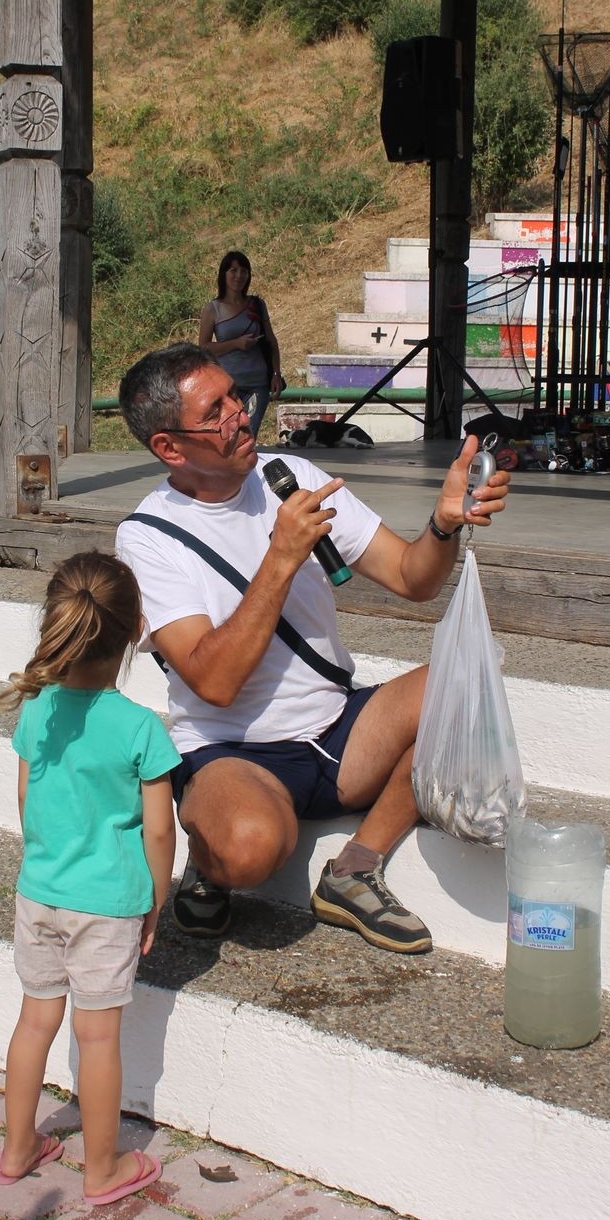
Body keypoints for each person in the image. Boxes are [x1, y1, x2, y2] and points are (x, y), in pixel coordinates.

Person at [116, 343, 510, 956]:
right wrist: (280, 556)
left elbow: (413, 578)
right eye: (215, 412)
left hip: (336, 729)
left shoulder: (292, 478)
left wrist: (442, 524)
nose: (240, 416)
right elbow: (212, 682)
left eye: (236, 398)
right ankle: (209, 856)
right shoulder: (148, 537)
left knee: (466, 677)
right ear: (170, 447)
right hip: (233, 751)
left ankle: (354, 869)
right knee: (249, 851)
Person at [0, 551, 177, 1204]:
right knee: (97, 1037)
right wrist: (154, 899)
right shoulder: (140, 729)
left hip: (39, 892)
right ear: (134, 630)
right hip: (107, 905)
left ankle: (17, 1149)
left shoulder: (37, 712)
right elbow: (159, 831)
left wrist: (48, 861)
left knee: (33, 1022)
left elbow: (25, 803)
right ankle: (103, 1170)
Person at [198, 249, 282, 438]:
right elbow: (204, 347)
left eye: (244, 271)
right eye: (233, 271)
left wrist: (276, 373)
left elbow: (271, 340)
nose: (239, 276)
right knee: (228, 436)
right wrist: (236, 344)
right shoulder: (213, 309)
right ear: (224, 274)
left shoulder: (257, 304)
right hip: (227, 386)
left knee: (248, 435)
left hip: (257, 384)